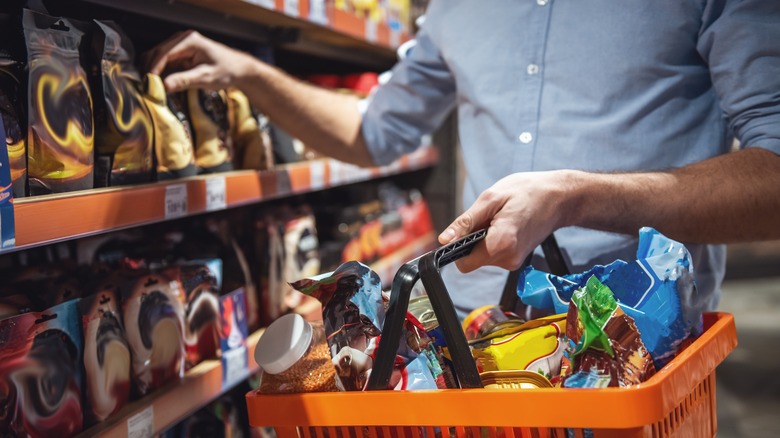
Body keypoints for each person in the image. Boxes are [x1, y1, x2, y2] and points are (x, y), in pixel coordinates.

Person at [147, 0, 780, 317]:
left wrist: (575, 196)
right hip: (481, 333)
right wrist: (248, 73)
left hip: (644, 340)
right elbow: (375, 132)